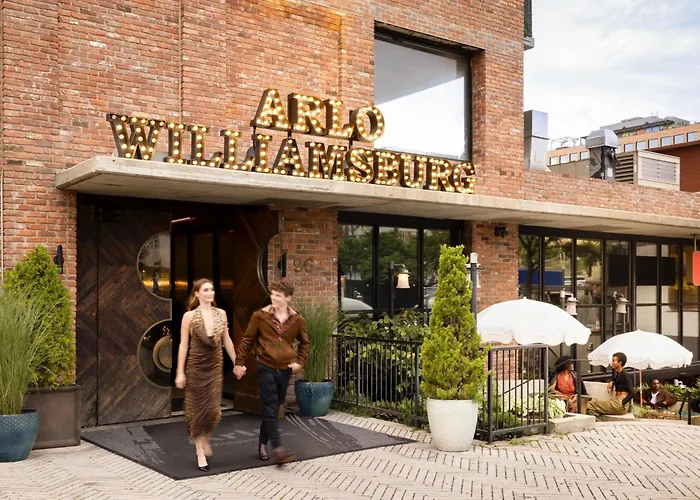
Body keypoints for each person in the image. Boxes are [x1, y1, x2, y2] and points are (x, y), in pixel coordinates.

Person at [233, 281, 310, 466]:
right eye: (273, 294)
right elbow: (247, 340)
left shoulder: (297, 320)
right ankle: (278, 449)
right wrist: (239, 363)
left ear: (288, 298)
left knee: (275, 407)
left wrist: (299, 362)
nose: (274, 298)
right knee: (269, 406)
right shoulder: (260, 316)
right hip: (265, 366)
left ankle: (262, 443)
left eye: (278, 295)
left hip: (285, 369)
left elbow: (305, 343)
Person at [175, 278, 237, 472]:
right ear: (197, 294)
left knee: (213, 411)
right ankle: (200, 452)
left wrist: (237, 363)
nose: (210, 293)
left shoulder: (221, 314)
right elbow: (183, 344)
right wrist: (179, 372)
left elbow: (227, 340)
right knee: (196, 411)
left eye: (212, 289)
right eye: (206, 290)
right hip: (196, 368)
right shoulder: (189, 316)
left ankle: (206, 438)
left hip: (215, 367)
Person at [587, 352, 634, 418]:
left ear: (620, 363)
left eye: (614, 361)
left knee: (591, 404)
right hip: (616, 401)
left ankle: (598, 421)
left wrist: (623, 402)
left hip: (620, 404)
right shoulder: (619, 373)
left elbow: (632, 393)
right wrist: (612, 382)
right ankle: (598, 419)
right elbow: (617, 381)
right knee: (592, 407)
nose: (612, 362)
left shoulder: (625, 374)